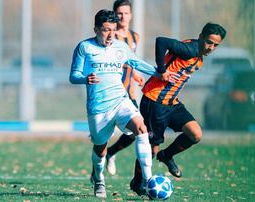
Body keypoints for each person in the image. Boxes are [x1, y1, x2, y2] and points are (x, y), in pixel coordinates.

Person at [69, 9, 156, 198]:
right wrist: (85, 78)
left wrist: (158, 72)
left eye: (113, 30)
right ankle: (99, 178)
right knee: (100, 149)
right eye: (106, 30)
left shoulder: (120, 47)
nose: (110, 35)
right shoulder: (84, 47)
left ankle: (149, 180)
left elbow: (136, 63)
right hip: (98, 108)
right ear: (96, 29)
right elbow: (73, 76)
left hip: (120, 100)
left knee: (141, 128)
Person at [130, 22, 227, 189]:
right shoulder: (190, 49)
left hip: (171, 103)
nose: (211, 47)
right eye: (209, 42)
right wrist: (161, 69)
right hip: (154, 102)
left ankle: (167, 155)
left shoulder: (199, 55)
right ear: (201, 37)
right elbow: (161, 41)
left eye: (216, 45)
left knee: (195, 134)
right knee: (151, 149)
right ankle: (137, 182)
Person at [105, 0, 145, 176]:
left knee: (136, 130)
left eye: (126, 13)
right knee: (103, 136)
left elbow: (130, 61)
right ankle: (96, 169)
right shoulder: (110, 37)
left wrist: (135, 75)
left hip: (129, 94)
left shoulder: (134, 37)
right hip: (110, 93)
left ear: (131, 15)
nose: (123, 17)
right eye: (119, 13)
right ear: (114, 14)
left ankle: (111, 153)